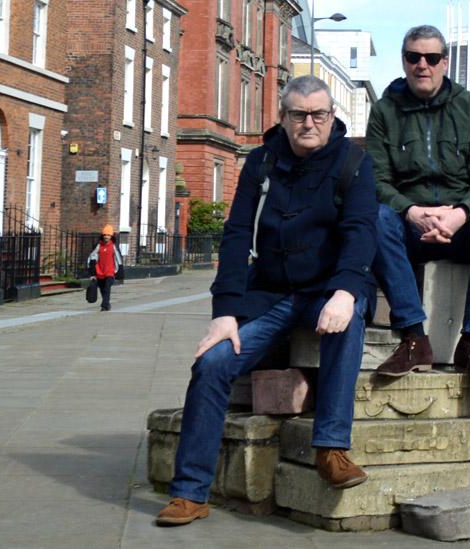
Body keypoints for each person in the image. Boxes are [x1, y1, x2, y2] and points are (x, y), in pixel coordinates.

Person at [155, 76, 378, 527]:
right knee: (213, 362)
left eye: (318, 114)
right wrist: (224, 314)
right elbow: (236, 236)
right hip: (270, 294)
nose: (309, 123)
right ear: (283, 117)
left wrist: (345, 291)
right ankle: (190, 493)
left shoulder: (354, 162)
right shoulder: (260, 163)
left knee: (347, 322)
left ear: (332, 116)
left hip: (326, 291)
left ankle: (331, 447)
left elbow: (361, 231)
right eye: (298, 115)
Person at [365, 24, 470, 391]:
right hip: (409, 226)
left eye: (431, 58)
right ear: (403, 61)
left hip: (459, 224)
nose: (423, 65)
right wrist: (411, 211)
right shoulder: (385, 111)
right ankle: (414, 338)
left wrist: (460, 212)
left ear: (445, 62)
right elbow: (376, 180)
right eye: (414, 57)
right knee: (375, 216)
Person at [87, 224, 123, 311]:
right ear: (102, 235)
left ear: (111, 236)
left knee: (107, 288)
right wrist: (92, 272)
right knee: (102, 289)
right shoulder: (98, 246)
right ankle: (107, 304)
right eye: (105, 235)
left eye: (108, 235)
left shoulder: (114, 247)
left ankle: (104, 305)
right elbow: (92, 258)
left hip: (110, 272)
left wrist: (120, 273)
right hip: (100, 271)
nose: (106, 236)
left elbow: (119, 260)